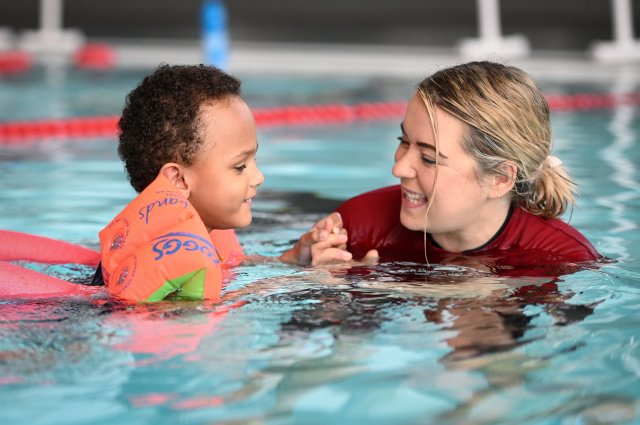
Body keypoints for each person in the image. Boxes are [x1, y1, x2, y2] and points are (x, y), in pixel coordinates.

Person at [313, 61, 602, 270]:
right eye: (404, 141)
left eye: (428, 158)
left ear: (500, 178)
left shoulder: (562, 260)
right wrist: (330, 294)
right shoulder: (357, 227)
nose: (399, 169)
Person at [97, 64, 348, 302]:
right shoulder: (179, 259)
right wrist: (307, 281)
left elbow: (227, 267)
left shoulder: (202, 238)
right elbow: (203, 318)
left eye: (254, 159)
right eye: (240, 166)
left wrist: (293, 261)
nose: (259, 177)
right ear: (178, 180)